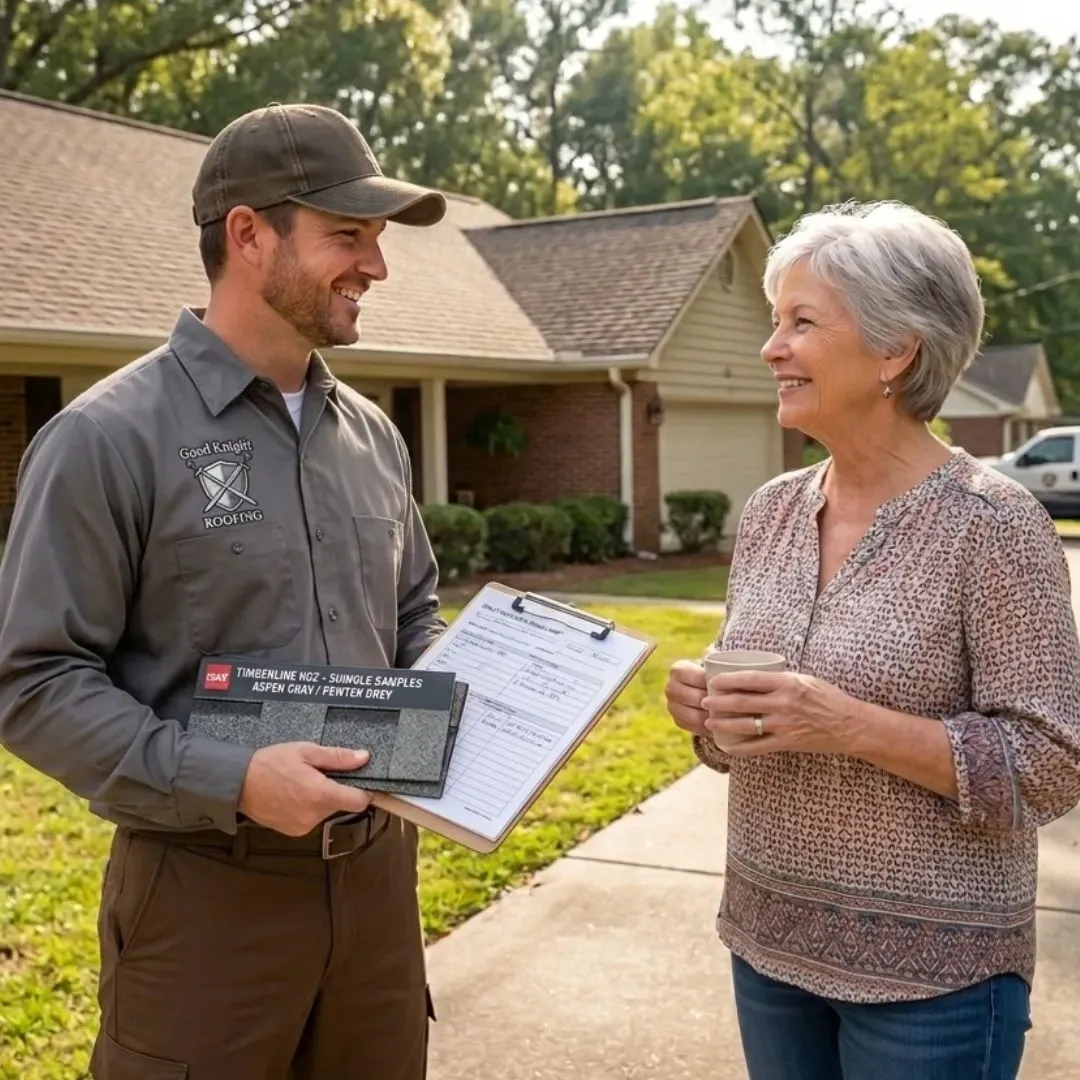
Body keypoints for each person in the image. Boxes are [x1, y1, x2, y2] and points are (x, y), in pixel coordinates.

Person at [0, 102, 450, 1078]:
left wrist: (465, 702)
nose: (376, 265)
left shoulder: (371, 436)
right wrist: (234, 781)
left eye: (374, 240)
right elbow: (32, 682)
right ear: (248, 234)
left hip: (378, 894)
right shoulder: (104, 440)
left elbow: (415, 610)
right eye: (347, 236)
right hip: (207, 902)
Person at [664, 200, 1080, 1080]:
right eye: (775, 323)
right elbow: (745, 735)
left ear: (898, 350)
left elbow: (1052, 762)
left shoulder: (996, 525)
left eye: (801, 324)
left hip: (935, 980)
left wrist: (849, 723)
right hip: (768, 942)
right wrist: (706, 712)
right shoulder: (773, 511)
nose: (772, 349)